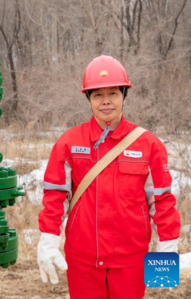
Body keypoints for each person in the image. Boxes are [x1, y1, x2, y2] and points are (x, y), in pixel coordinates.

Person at [36, 55, 181, 298]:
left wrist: (167, 250)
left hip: (131, 261)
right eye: (98, 95)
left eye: (113, 93)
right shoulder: (69, 143)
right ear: (88, 99)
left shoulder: (149, 144)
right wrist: (48, 242)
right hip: (82, 261)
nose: (106, 102)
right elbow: (55, 198)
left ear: (124, 95)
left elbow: (162, 201)